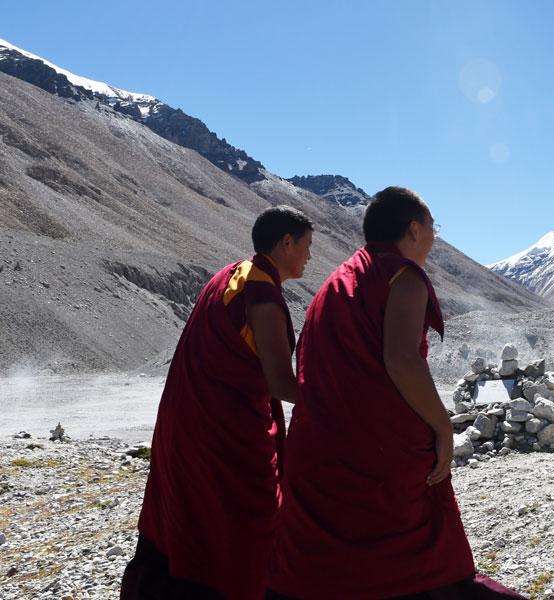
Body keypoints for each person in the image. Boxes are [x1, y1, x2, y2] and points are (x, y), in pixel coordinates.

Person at [266, 187, 523, 599]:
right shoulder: (403, 276)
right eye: (434, 227)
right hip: (381, 458)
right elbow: (402, 361)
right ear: (414, 229)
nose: (435, 237)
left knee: (324, 569)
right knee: (418, 566)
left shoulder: (335, 283)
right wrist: (443, 428)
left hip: (318, 454)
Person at [121, 205, 313, 600]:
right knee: (247, 524)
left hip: (187, 424)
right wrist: (335, 396)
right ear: (286, 242)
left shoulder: (233, 275)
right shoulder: (262, 296)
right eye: (307, 246)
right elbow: (280, 383)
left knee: (190, 518)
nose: (310, 256)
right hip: (225, 437)